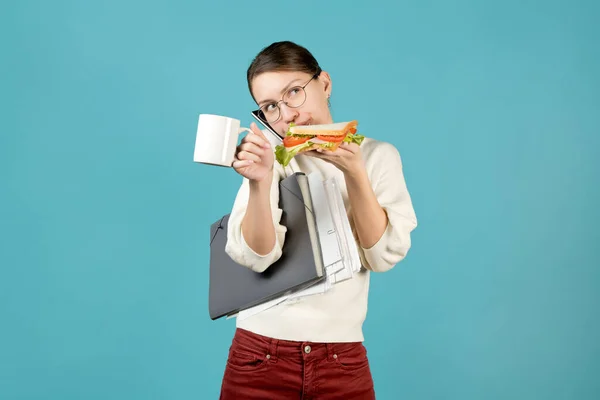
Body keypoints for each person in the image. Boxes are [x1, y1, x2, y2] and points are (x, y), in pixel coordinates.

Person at [219, 41, 418, 399]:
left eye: (294, 92)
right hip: (258, 356)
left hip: (341, 359)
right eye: (271, 107)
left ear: (324, 84)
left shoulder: (376, 157)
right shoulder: (271, 157)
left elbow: (381, 256)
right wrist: (258, 181)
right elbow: (257, 256)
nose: (288, 115)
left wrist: (355, 172)